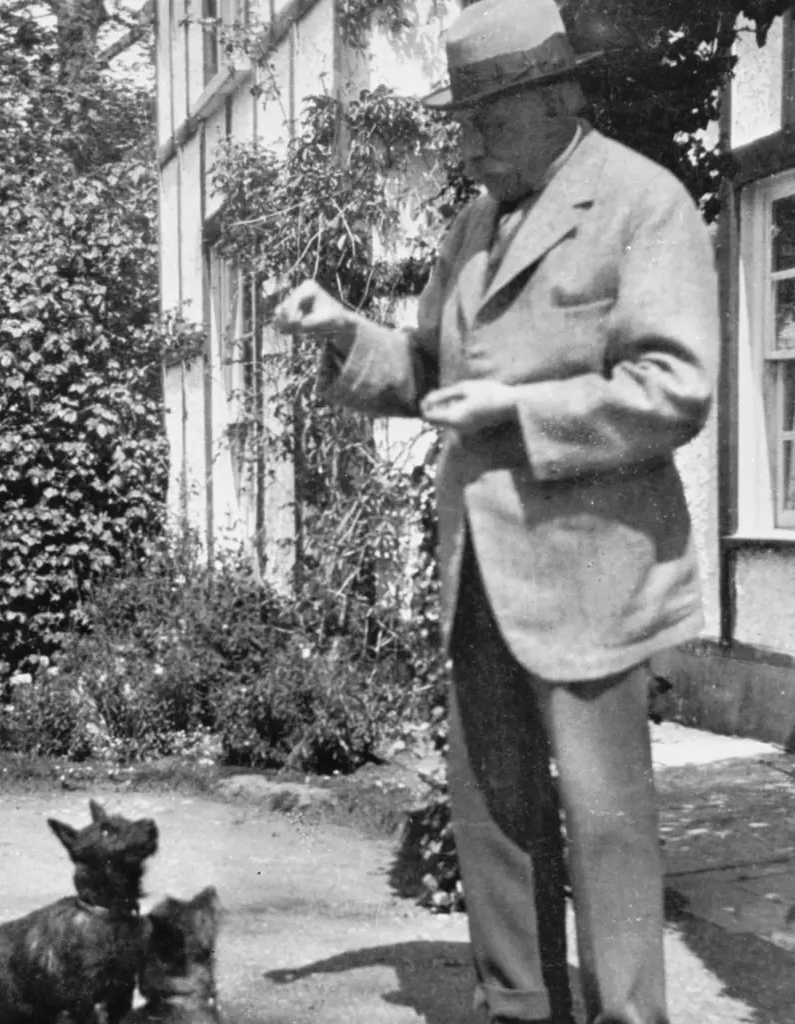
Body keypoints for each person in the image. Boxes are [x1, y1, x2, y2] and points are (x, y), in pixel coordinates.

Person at [272, 1, 720, 1022]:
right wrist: (345, 334)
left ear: (558, 99)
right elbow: (430, 368)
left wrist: (517, 413)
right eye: (463, 123)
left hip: (593, 570)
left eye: (490, 122)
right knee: (494, 817)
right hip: (481, 566)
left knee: (605, 827)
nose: (469, 147)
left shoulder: (643, 204)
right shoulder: (475, 222)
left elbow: (673, 388)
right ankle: (518, 1008)